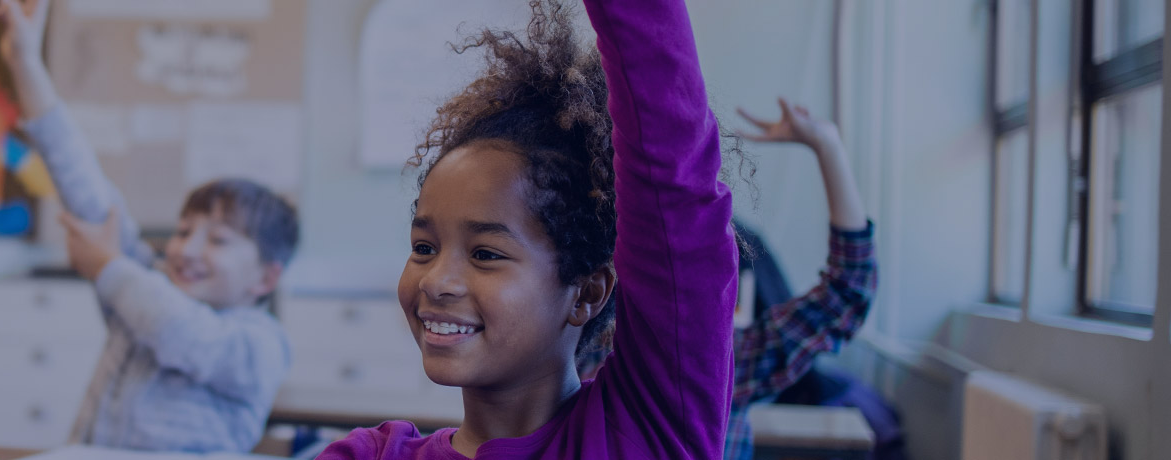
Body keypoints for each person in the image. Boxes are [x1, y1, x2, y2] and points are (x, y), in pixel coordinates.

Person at [318, 0, 740, 457]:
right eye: (424, 246)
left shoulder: (644, 429)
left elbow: (673, 184)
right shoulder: (370, 454)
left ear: (587, 293)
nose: (436, 280)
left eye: (485, 253)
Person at [0, 0, 300, 453]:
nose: (186, 249)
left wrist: (110, 269)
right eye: (182, 231)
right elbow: (84, 187)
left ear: (266, 277)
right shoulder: (139, 287)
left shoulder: (261, 344)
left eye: (217, 239)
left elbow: (186, 336)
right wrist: (26, 63)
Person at [724, 98, 879, 459]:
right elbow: (847, 291)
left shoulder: (714, 364)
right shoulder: (709, 367)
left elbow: (845, 290)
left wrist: (828, 147)